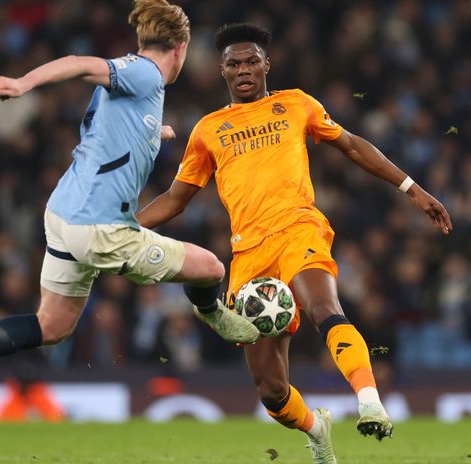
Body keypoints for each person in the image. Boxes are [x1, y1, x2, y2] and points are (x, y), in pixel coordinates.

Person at [0, 0, 259, 423]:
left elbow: (100, 132)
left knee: (52, 325)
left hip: (63, 214)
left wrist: (153, 132)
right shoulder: (143, 73)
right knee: (212, 268)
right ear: (180, 47)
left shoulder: (134, 96)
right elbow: (79, 62)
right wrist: (23, 83)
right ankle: (213, 313)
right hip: (99, 228)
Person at [137, 23, 453, 463]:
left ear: (267, 64)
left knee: (326, 308)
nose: (244, 69)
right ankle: (315, 429)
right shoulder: (208, 130)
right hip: (248, 254)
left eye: (251, 61)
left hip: (298, 228)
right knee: (271, 390)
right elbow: (176, 199)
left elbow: (353, 146)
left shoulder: (296, 104)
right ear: (222, 72)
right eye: (234, 63)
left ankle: (369, 401)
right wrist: (125, 227)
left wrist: (412, 189)